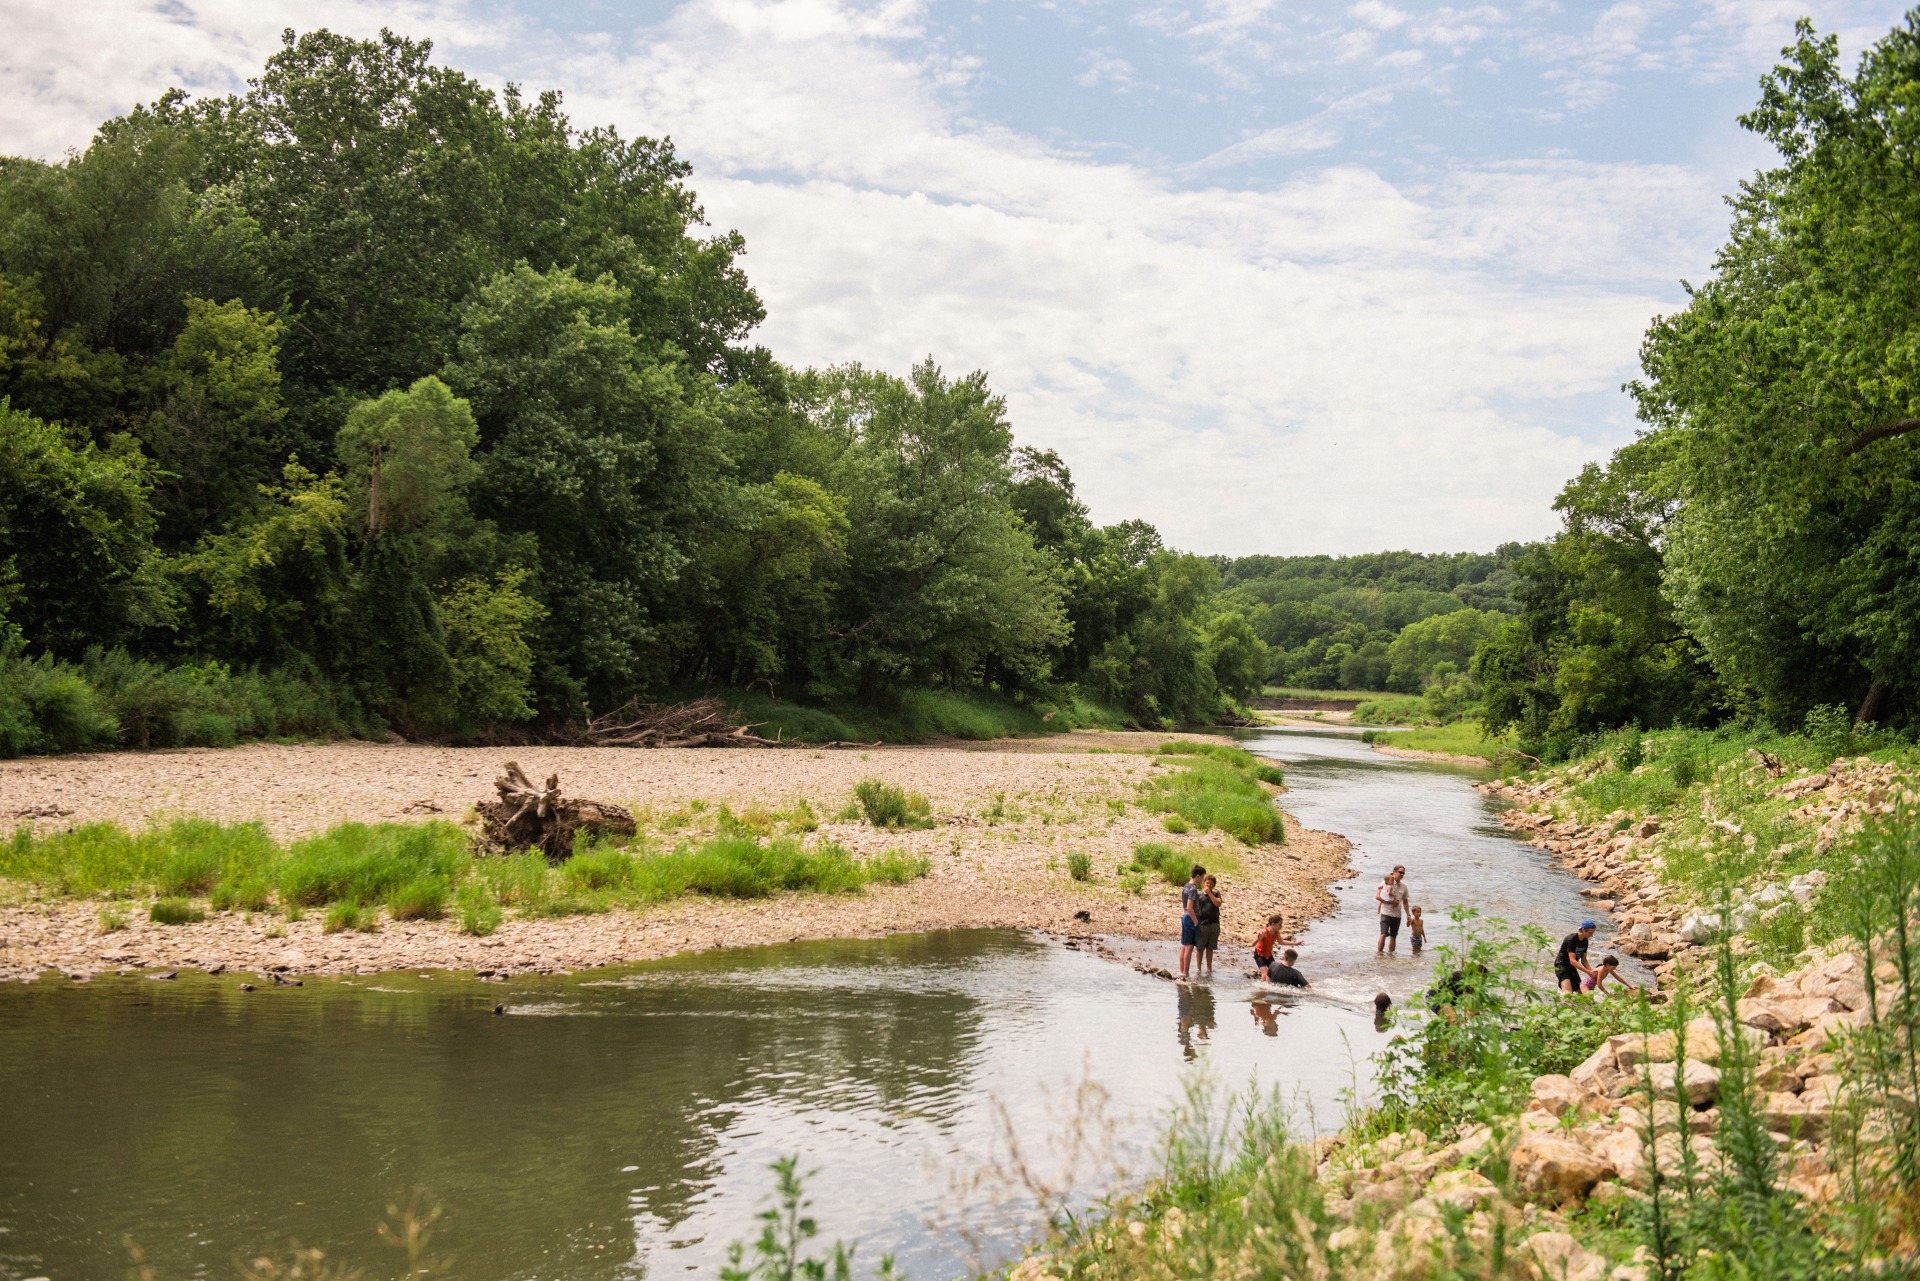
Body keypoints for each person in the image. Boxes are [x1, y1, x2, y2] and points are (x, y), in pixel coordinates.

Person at [1555, 920, 1599, 994]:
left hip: (1571, 966)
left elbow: (1584, 960)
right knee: (1568, 992)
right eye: (1590, 933)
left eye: (1592, 933)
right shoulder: (1571, 939)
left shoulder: (1585, 941)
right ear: (1583, 930)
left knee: (1580, 992)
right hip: (1561, 965)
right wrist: (1588, 972)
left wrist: (1591, 971)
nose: (1591, 935)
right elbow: (1572, 960)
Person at [1251, 913, 1301, 979]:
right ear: (1272, 924)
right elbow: (1252, 944)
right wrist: (1258, 938)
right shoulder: (1264, 932)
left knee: (1274, 972)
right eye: (1279, 924)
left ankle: (1268, 988)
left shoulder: (1276, 933)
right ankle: (1261, 989)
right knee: (1265, 975)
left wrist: (1296, 943)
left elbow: (1281, 942)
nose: (1281, 926)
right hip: (1259, 954)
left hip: (1268, 955)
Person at [1178, 865, 1206, 979]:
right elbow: (1190, 907)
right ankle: (1186, 973)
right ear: (1198, 876)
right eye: (1202, 877)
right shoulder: (1193, 888)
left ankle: (1182, 971)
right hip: (1190, 917)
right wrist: (1195, 921)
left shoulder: (1186, 886)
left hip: (1185, 916)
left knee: (1184, 945)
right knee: (1189, 946)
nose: (1202, 880)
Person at [1375, 865, 1410, 955]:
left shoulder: (1404, 887)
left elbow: (1405, 902)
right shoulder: (1386, 882)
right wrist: (1390, 903)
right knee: (1383, 934)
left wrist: (1408, 915)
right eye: (1400, 872)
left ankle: (1391, 956)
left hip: (1397, 915)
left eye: (1403, 873)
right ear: (1394, 872)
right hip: (1386, 913)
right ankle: (1379, 954)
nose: (1402, 874)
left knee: (1393, 937)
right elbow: (1377, 896)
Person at [1195, 874, 1223, 976]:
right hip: (1202, 924)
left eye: (1211, 884)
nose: (1209, 885)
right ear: (1203, 883)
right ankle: (1198, 968)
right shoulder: (1199, 895)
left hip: (1214, 924)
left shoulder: (1216, 894)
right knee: (1200, 947)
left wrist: (1210, 894)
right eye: (1207, 883)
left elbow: (1218, 904)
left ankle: (1209, 968)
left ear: (1214, 885)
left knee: (1210, 948)